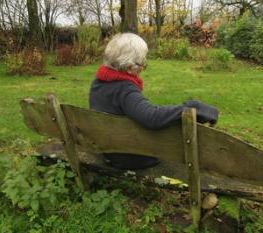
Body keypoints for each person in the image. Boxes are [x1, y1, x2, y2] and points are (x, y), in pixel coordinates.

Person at [89, 33, 219, 169]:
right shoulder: (124, 89)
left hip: (109, 149)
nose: (142, 68)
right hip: (129, 156)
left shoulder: (99, 82)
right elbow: (152, 117)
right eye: (141, 63)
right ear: (129, 66)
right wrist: (193, 107)